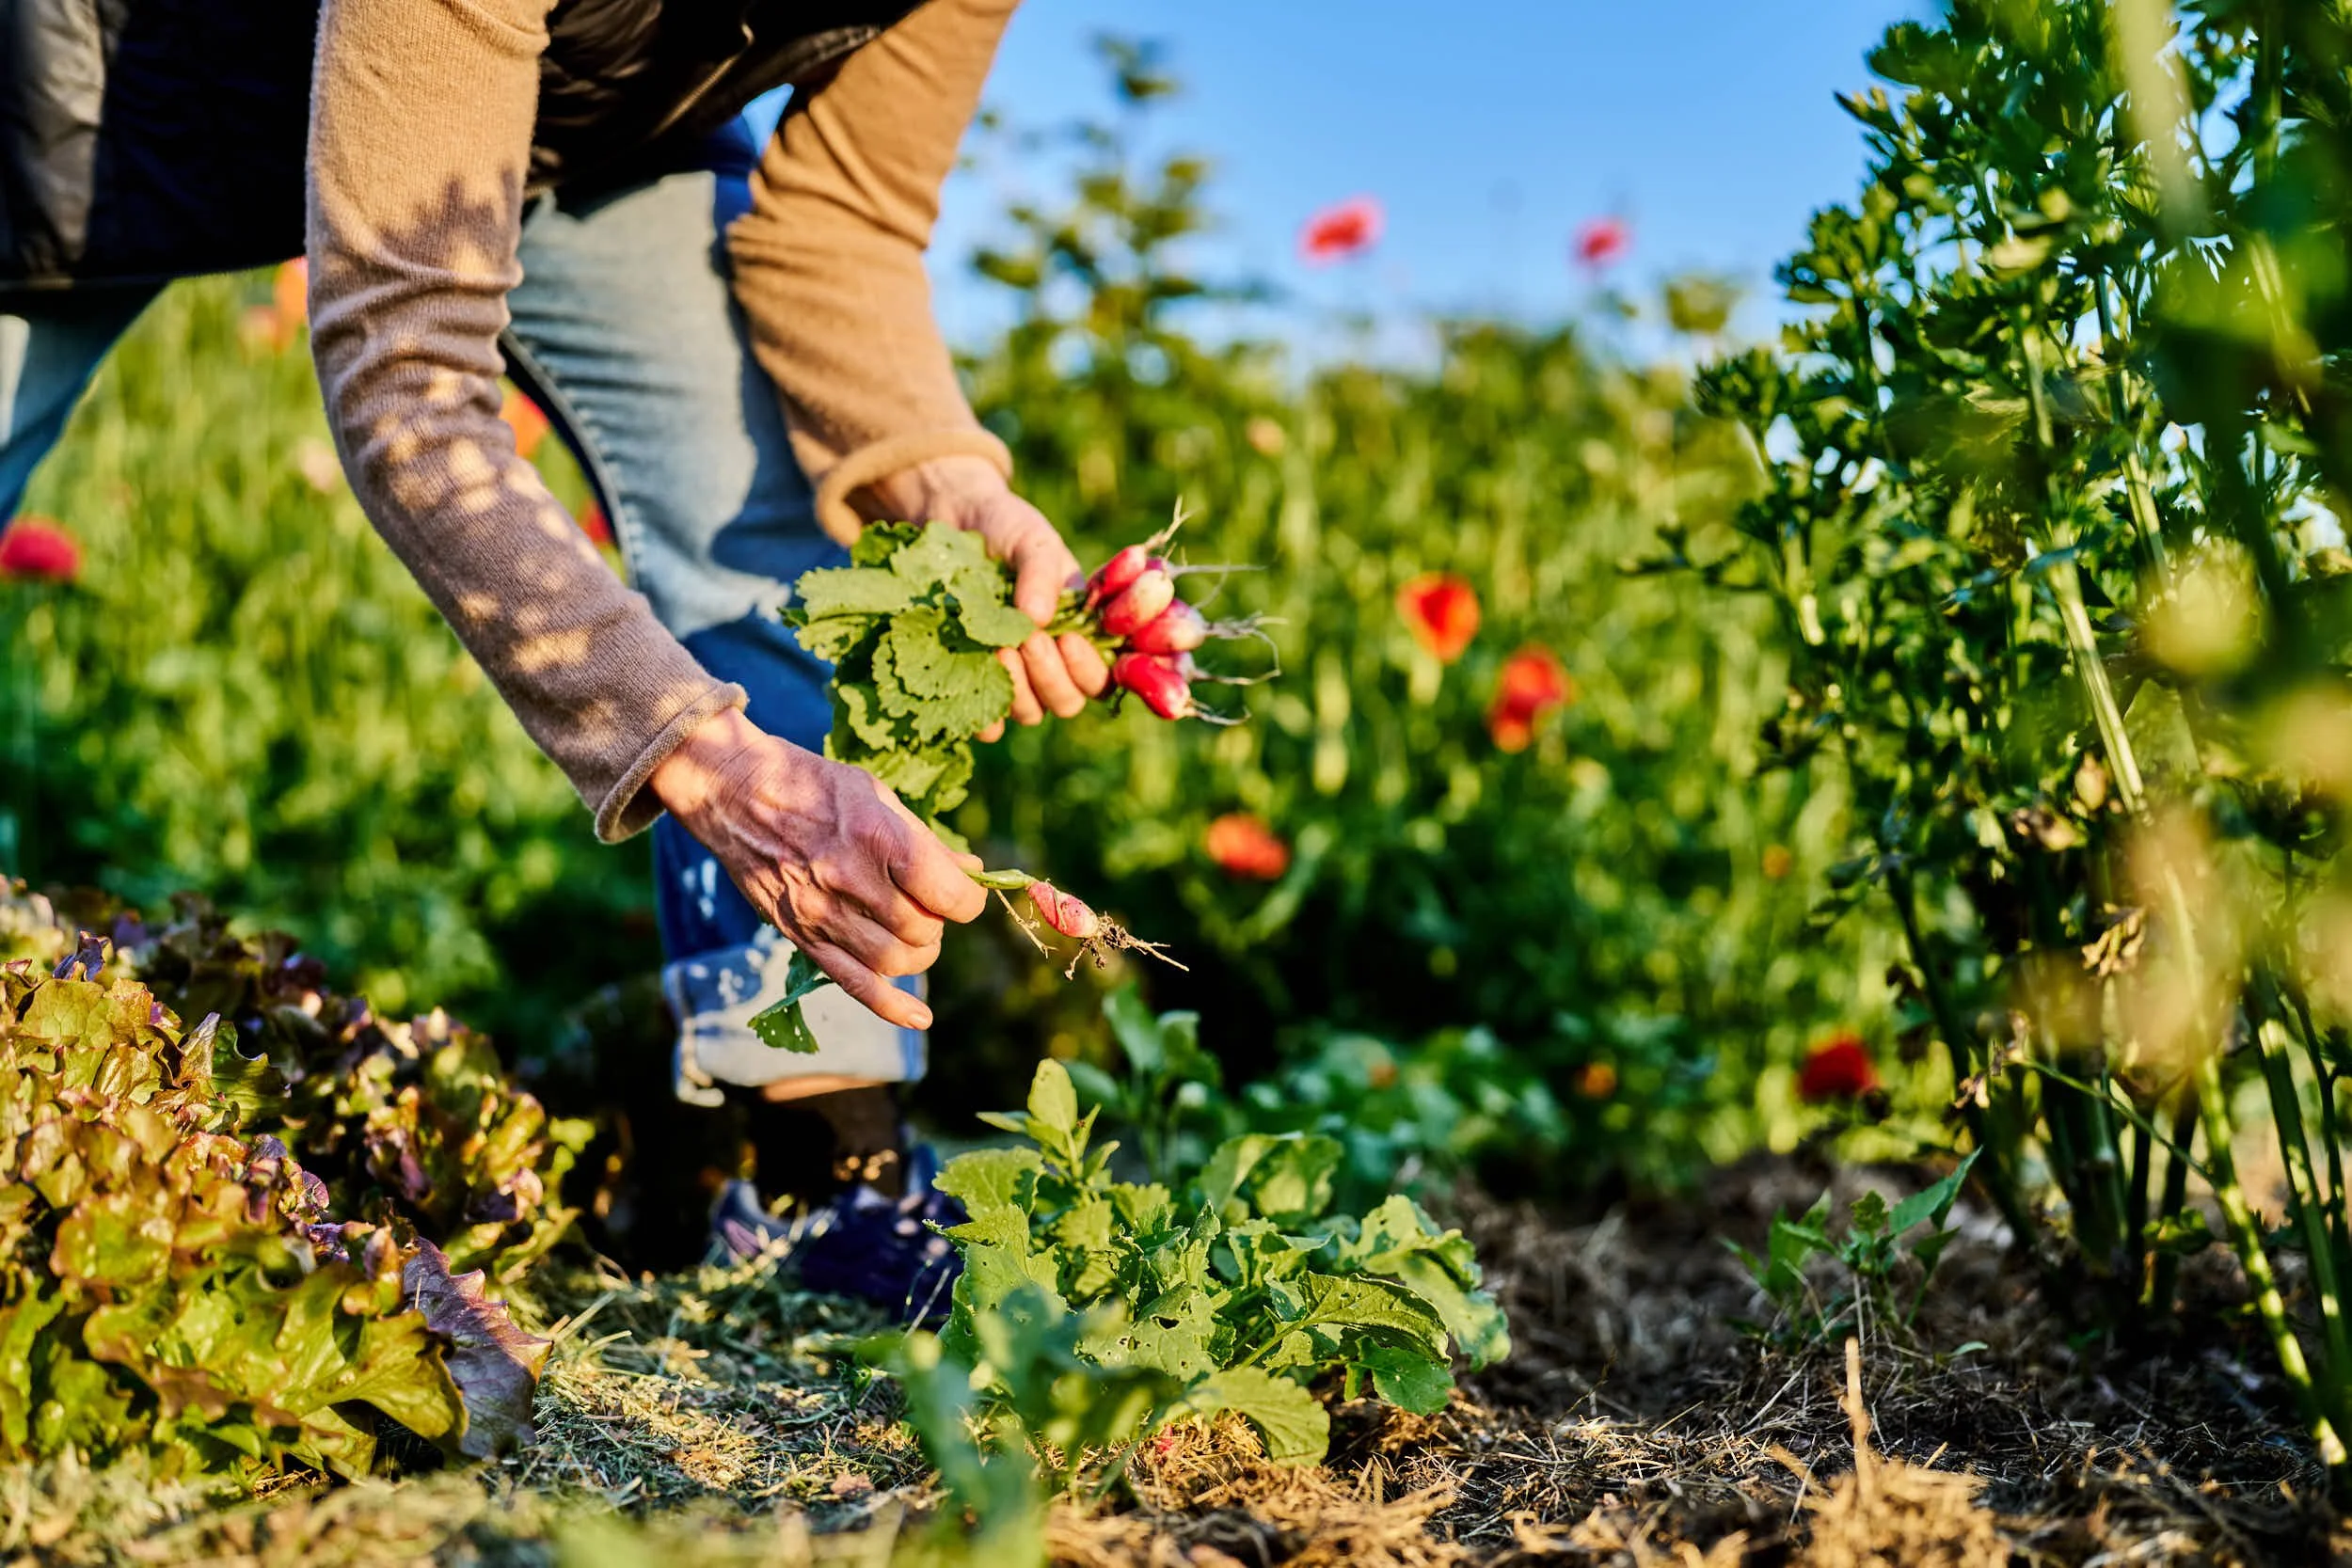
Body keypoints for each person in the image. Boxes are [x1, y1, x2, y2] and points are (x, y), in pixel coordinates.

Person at [0, 0, 1103, 1308]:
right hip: (115, 75)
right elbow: (405, 368)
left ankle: (823, 1174)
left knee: (750, 501)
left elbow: (843, 227)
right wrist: (703, 759)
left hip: (570, 118)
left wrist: (949, 480)